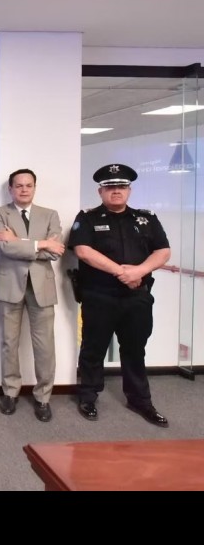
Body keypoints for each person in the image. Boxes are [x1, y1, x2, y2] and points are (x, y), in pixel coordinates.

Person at [68, 163, 171, 427]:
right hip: (99, 295)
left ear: (129, 190)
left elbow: (163, 251)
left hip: (137, 297)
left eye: (122, 186)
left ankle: (140, 400)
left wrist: (139, 271)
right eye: (110, 187)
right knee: (93, 348)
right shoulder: (88, 218)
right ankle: (88, 396)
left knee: (135, 349)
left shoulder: (146, 219)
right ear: (100, 191)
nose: (116, 191)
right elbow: (83, 251)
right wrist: (121, 272)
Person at [0, 169, 65, 422]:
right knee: (9, 342)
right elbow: (3, 246)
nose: (24, 189)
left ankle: (43, 397)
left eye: (28, 185)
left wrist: (18, 241)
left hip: (42, 287)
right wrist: (41, 243)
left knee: (45, 346)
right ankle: (10, 392)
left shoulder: (50, 214)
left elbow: (56, 252)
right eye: (19, 185)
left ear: (34, 187)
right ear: (10, 189)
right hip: (9, 285)